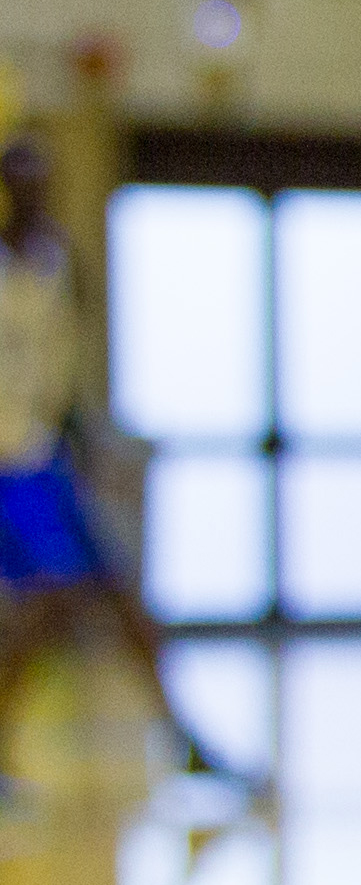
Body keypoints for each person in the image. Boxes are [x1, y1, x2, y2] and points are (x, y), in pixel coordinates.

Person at [0, 129, 245, 807]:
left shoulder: (59, 264)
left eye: (40, 179)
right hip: (6, 467)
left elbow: (58, 376)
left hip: (44, 463)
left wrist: (88, 445)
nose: (32, 191)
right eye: (19, 179)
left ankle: (185, 739)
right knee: (45, 604)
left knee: (118, 598)